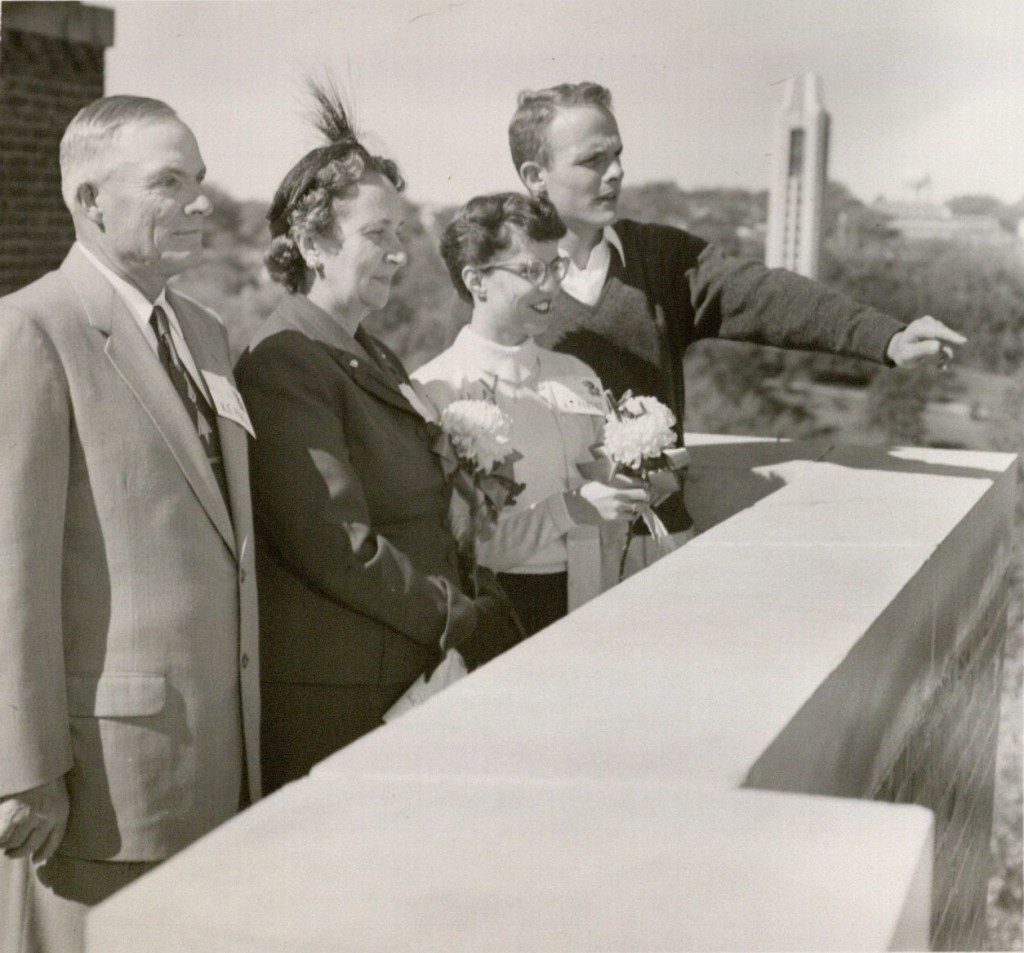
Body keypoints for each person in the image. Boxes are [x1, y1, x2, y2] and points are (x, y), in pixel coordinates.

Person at [0, 96, 260, 953]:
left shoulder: (205, 332)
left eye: (200, 180)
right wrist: (24, 769)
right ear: (90, 200)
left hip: (219, 769)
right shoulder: (31, 328)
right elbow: (12, 567)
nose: (198, 202)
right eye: (168, 182)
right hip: (101, 792)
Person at [508, 81, 968, 532]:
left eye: (617, 154)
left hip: (653, 541)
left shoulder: (660, 257)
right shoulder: (500, 275)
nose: (616, 172)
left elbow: (773, 298)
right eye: (593, 160)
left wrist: (887, 337)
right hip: (544, 553)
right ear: (535, 177)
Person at [234, 86, 522, 794]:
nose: (398, 253)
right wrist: (463, 617)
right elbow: (337, 544)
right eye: (376, 235)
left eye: (401, 232)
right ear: (310, 244)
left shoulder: (372, 352)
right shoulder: (285, 361)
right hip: (346, 699)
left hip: (408, 672)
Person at [413, 193, 650, 636]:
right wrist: (569, 508)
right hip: (502, 611)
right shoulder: (435, 392)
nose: (551, 287)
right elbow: (460, 548)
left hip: (592, 596)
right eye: (530, 271)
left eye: (555, 266)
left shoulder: (577, 375)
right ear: (476, 281)